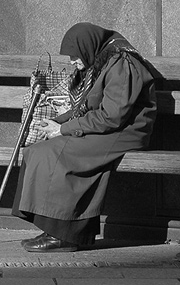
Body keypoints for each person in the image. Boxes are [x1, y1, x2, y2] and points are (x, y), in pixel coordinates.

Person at [13, 22, 157, 252]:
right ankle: (53, 228)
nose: (72, 61)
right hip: (108, 127)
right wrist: (58, 123)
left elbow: (112, 117)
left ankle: (66, 236)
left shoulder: (122, 63)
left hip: (125, 132)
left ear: (88, 47)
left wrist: (63, 130)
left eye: (74, 55)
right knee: (37, 151)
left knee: (59, 154)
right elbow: (87, 105)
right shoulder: (102, 60)